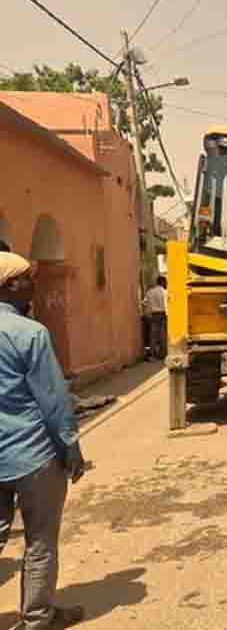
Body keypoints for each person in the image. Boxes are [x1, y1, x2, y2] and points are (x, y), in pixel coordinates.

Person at [0, 252, 86, 630]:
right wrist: (72, 450)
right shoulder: (30, 333)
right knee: (40, 540)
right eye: (24, 280)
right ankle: (37, 618)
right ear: (6, 287)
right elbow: (53, 401)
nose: (31, 286)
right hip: (33, 455)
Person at [143, 276, 168, 360]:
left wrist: (148, 312)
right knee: (163, 334)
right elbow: (168, 304)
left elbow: (144, 303)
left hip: (153, 315)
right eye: (165, 282)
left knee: (153, 335)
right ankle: (163, 353)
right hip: (163, 314)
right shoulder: (165, 292)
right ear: (163, 282)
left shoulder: (150, 292)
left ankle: (152, 354)